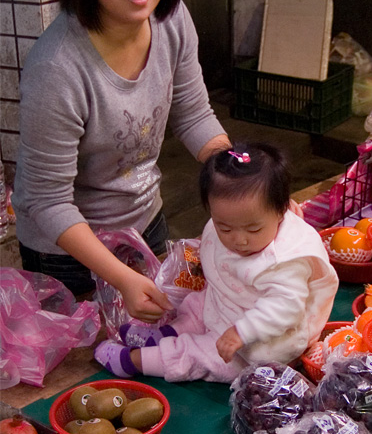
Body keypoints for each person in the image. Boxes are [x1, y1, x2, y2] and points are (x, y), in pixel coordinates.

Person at [12, 0, 230, 322]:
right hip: (68, 253)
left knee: (157, 345)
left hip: (146, 220)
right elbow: (44, 199)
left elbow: (193, 113)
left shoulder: (171, 19)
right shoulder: (58, 67)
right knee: (93, 372)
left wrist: (245, 176)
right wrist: (121, 278)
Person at [94, 142, 339, 383]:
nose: (238, 240)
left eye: (253, 229)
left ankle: (136, 361)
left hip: (262, 339)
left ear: (280, 212)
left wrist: (241, 333)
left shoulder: (285, 260)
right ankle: (165, 334)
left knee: (202, 355)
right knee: (197, 304)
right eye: (224, 227)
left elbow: (284, 308)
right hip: (228, 302)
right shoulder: (237, 217)